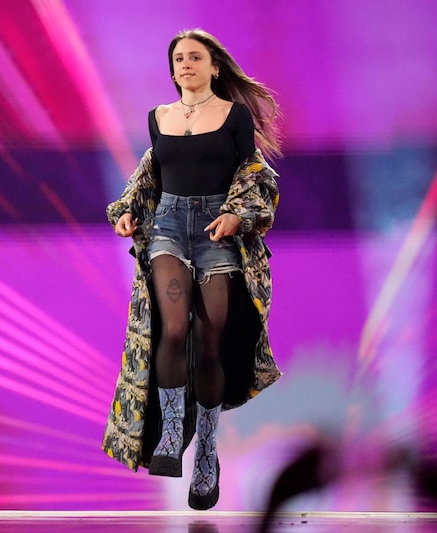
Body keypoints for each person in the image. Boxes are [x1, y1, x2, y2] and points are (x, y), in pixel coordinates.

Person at [102, 28, 283, 510]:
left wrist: (236, 214)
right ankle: (169, 437)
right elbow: (149, 176)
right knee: (174, 329)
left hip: (215, 232)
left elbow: (255, 176)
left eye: (195, 57)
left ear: (214, 66)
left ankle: (205, 448)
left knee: (209, 339)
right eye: (179, 58)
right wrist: (128, 210)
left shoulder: (233, 117)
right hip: (168, 228)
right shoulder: (158, 118)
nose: (185, 64)